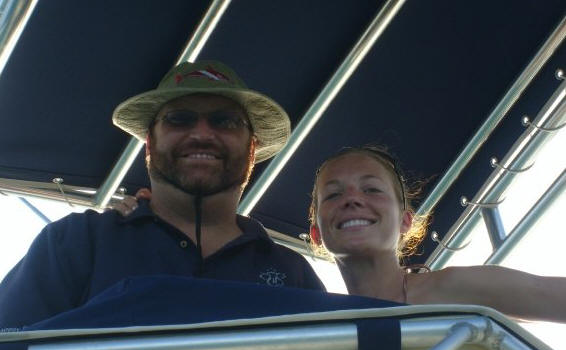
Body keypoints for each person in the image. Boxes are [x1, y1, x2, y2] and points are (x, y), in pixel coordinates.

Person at [0, 60, 325, 329]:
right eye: (179, 119)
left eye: (225, 121)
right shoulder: (74, 242)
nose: (201, 134)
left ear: (252, 149)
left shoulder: (293, 272)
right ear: (150, 144)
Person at [307, 145, 566, 322]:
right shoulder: (317, 323)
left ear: (405, 222)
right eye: (333, 194)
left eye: (372, 189)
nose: (352, 200)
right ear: (316, 233)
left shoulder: (456, 287)